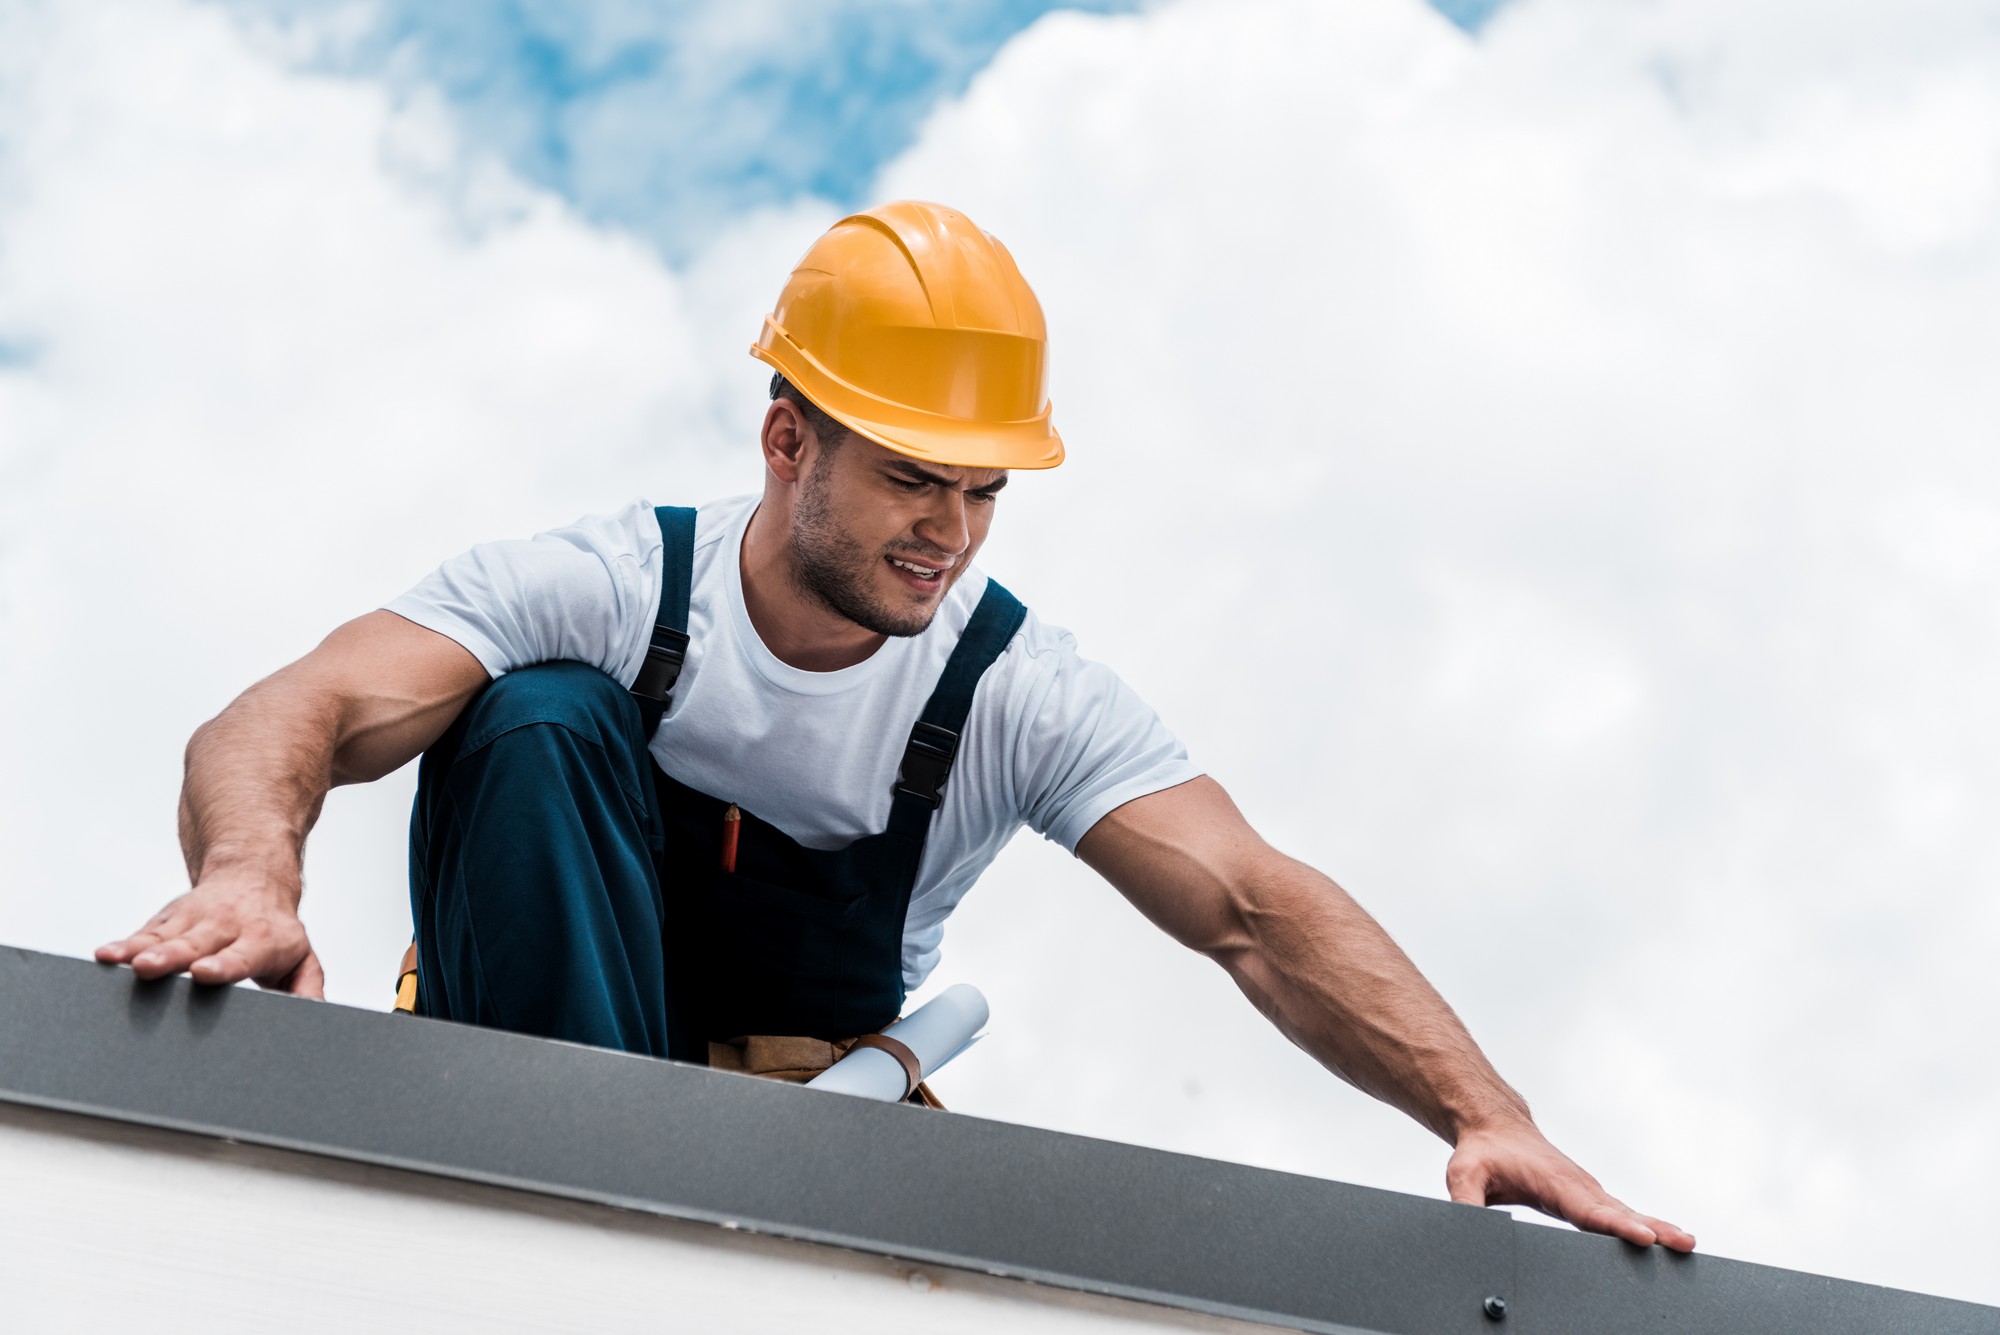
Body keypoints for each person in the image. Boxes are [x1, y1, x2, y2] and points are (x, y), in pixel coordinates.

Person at [99, 200, 1694, 1252]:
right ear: (789, 441)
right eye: (912, 478)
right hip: (528, 1105)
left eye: (984, 488)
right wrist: (253, 878)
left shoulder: (1010, 689)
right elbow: (294, 706)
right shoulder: (603, 583)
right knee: (531, 720)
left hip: (795, 1151)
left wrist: (1493, 1119)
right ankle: (570, 1189)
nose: (952, 530)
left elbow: (1257, 911)